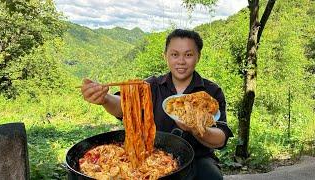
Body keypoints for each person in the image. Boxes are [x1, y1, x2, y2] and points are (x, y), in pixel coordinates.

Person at [81, 29, 233, 180]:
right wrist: (104, 99)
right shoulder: (151, 85)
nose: (181, 61)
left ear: (198, 57)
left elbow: (220, 138)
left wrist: (195, 128)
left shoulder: (210, 92)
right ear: (165, 56)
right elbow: (123, 106)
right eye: (174, 54)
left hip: (198, 158)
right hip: (149, 152)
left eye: (188, 54)